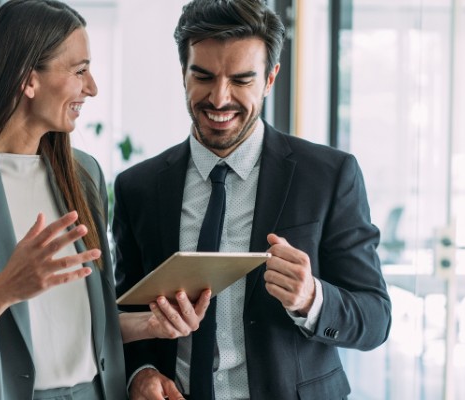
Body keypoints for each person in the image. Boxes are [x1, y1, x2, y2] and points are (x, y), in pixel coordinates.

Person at [0, 1, 211, 399]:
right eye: (79, 70)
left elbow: (77, 325)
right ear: (28, 78)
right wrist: (4, 290)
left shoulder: (83, 174)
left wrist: (152, 325)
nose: (92, 87)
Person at [113, 0, 392, 399]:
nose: (219, 99)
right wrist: (139, 372)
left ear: (270, 78)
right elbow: (126, 313)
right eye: (203, 77)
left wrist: (312, 297)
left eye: (242, 80)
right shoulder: (136, 188)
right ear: (183, 74)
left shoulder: (329, 176)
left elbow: (375, 318)